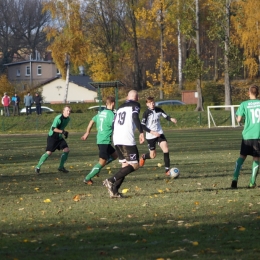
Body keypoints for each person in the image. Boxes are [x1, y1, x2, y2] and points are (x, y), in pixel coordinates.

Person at [103, 90, 145, 198]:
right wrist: (141, 132)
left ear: (127, 97)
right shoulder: (135, 105)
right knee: (135, 165)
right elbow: (135, 117)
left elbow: (113, 124)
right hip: (126, 138)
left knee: (125, 165)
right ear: (138, 98)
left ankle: (115, 191)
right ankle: (111, 180)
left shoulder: (120, 107)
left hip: (116, 138)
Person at [81, 96, 118, 185]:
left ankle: (98, 168)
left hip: (101, 140)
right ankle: (87, 178)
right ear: (113, 103)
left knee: (115, 155)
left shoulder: (101, 113)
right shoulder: (111, 115)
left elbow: (91, 121)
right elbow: (115, 126)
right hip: (104, 141)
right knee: (102, 162)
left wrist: (87, 132)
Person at [231, 85, 260, 189]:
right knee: (256, 158)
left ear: (249, 93)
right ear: (258, 93)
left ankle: (235, 178)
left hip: (247, 135)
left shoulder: (244, 104)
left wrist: (238, 116)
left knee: (242, 156)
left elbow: (238, 120)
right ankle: (252, 182)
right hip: (258, 135)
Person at [139, 97, 177, 176]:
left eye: (153, 102)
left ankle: (167, 170)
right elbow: (142, 126)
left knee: (166, 148)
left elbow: (166, 116)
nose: (152, 104)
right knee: (153, 155)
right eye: (150, 103)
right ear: (147, 104)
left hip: (159, 133)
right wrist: (152, 132)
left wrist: (171, 119)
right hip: (150, 136)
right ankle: (143, 156)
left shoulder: (159, 110)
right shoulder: (146, 113)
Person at [35, 106, 71, 174]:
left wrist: (64, 132)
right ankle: (38, 166)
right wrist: (63, 132)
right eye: (67, 111)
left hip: (59, 137)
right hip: (52, 137)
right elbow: (53, 129)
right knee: (49, 152)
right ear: (63, 111)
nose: (68, 112)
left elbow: (61, 128)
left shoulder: (68, 119)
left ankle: (61, 167)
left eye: (69, 111)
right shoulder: (58, 118)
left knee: (66, 150)